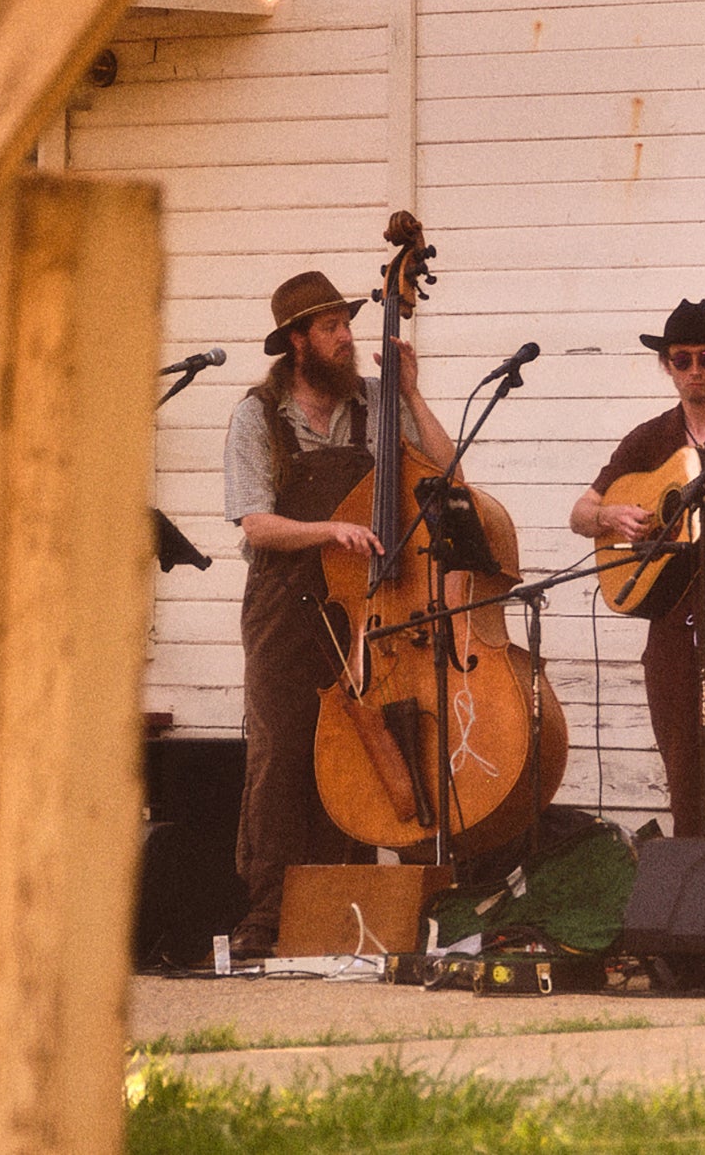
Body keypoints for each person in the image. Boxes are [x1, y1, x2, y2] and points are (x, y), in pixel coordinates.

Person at [222, 270, 456, 958]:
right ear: (297, 342)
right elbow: (258, 523)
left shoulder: (378, 402)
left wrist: (411, 391)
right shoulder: (257, 416)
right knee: (281, 754)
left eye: (348, 322)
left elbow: (446, 473)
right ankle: (266, 915)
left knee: (356, 748)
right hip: (284, 602)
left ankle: (343, 906)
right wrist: (328, 530)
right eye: (331, 327)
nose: (348, 337)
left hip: (362, 600)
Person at [570, 300, 705, 839]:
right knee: (685, 771)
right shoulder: (650, 438)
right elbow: (580, 515)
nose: (694, 370)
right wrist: (611, 513)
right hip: (671, 620)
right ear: (666, 365)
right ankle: (693, 903)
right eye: (681, 359)